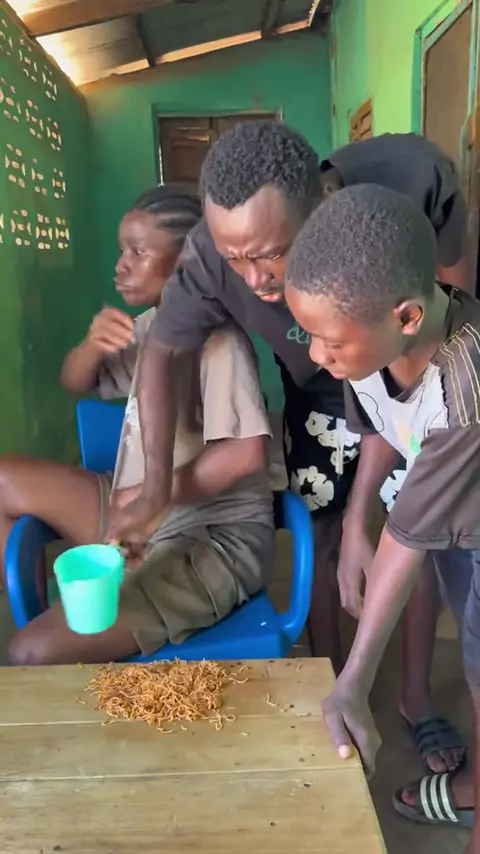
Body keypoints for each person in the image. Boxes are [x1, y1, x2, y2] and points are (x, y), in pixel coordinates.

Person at [107, 121, 469, 772]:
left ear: (323, 206)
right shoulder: (217, 253)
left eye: (270, 254)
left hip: (409, 376)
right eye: (233, 258)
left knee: (419, 539)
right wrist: (157, 486)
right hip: (337, 390)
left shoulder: (408, 179)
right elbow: (163, 349)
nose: (252, 279)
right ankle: (331, 679)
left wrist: (435, 373)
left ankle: (412, 698)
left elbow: (443, 297)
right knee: (330, 535)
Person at [3, 185, 275, 665]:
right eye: (121, 251)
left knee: (29, 653)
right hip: (139, 506)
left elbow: (246, 455)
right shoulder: (151, 326)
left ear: (185, 261)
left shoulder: (219, 341)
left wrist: (152, 498)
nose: (121, 266)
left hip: (211, 536)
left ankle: (63, 636)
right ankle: (62, 616)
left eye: (137, 252)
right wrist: (92, 345)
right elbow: (74, 381)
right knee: (3, 477)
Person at [284, 183, 480, 840]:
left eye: (328, 342)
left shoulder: (464, 390)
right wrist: (354, 521)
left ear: (406, 317)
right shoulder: (371, 339)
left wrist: (356, 679)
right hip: (460, 516)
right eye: (310, 335)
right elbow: (381, 428)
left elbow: (408, 537)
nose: (316, 356)